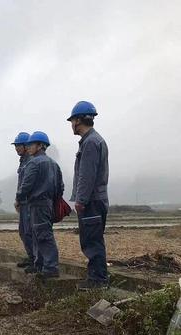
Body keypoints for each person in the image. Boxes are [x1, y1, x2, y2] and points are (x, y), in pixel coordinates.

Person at [67, 101, 109, 290]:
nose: (71, 125)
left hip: (91, 200)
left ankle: (98, 280)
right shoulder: (93, 140)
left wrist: (81, 200)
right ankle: (96, 277)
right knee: (93, 238)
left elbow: (87, 175)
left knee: (92, 240)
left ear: (78, 120)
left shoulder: (91, 142)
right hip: (96, 198)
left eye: (72, 120)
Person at [16, 132, 64, 279]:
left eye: (31, 144)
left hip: (37, 204)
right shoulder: (54, 164)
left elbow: (26, 186)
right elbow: (60, 187)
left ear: (40, 146)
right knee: (40, 235)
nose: (29, 147)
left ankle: (50, 268)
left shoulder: (33, 163)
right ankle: (41, 265)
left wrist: (19, 198)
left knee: (42, 236)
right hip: (48, 203)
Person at [12, 132, 33, 268]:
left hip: (29, 202)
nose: (17, 148)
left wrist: (19, 198)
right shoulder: (23, 161)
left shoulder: (31, 161)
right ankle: (31, 257)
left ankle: (36, 259)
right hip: (23, 202)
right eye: (16, 146)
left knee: (30, 231)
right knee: (23, 231)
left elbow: (27, 184)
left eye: (19, 145)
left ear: (26, 146)